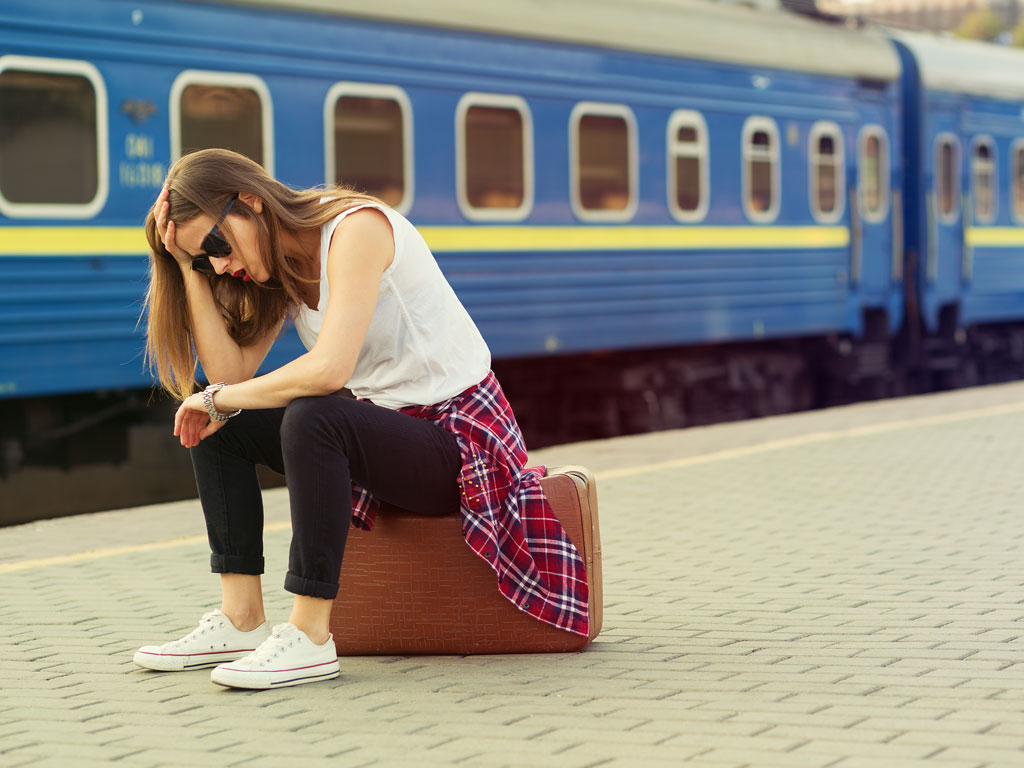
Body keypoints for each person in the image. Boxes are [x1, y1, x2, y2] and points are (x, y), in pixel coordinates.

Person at [133, 148, 589, 689]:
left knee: (312, 414)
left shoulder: (355, 230)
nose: (220, 264)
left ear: (249, 200)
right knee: (219, 424)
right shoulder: (281, 269)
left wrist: (217, 397)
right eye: (207, 259)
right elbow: (229, 379)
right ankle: (242, 619)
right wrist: (190, 271)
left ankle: (310, 636)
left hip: (463, 444)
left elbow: (330, 370)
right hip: (388, 436)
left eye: (215, 245)